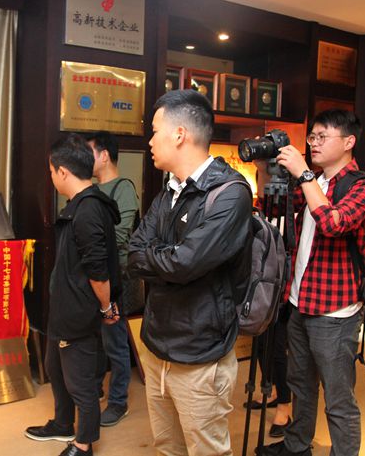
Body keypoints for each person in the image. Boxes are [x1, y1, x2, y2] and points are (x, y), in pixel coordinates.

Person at [127, 89, 252, 456]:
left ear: (179, 134)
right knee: (167, 447)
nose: (150, 141)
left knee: (206, 451)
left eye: (154, 131)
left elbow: (184, 264)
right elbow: (133, 254)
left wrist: (164, 258)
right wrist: (170, 258)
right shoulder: (169, 191)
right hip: (156, 345)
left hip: (200, 354)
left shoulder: (230, 194)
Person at [256, 109, 365, 456]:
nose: (314, 144)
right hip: (300, 302)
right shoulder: (316, 182)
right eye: (312, 137)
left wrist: (304, 174)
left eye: (323, 137)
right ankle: (297, 446)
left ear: (349, 142)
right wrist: (268, 167)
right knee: (300, 385)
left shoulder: (364, 187)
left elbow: (332, 223)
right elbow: (272, 208)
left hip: (335, 312)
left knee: (338, 398)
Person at [25, 133, 121, 456]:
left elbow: (98, 270)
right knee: (55, 367)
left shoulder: (89, 209)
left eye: (52, 171)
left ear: (63, 172)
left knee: (81, 382)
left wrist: (106, 308)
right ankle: (62, 423)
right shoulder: (79, 204)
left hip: (78, 311)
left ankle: (84, 444)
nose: (51, 177)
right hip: (64, 307)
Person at [87, 131, 139, 427]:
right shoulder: (92, 189)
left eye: (90, 153)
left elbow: (120, 237)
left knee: (115, 341)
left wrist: (91, 247)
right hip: (94, 276)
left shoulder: (123, 188)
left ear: (104, 155)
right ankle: (95, 388)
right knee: (95, 338)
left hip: (115, 277)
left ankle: (119, 401)